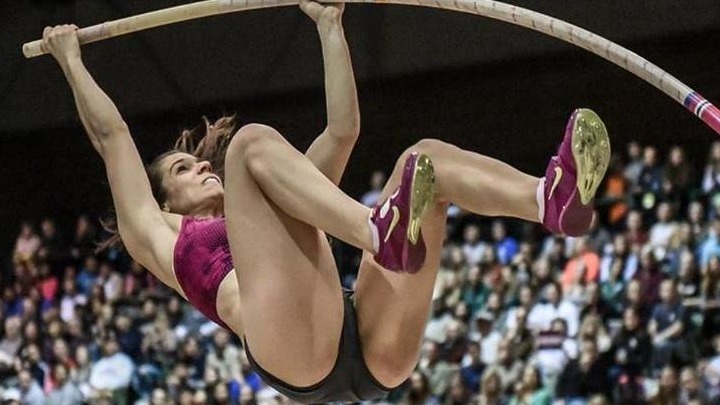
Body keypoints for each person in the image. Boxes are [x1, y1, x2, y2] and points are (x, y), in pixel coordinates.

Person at [41, 0, 610, 401]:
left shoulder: (288, 196)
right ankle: (377, 232)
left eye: (196, 160)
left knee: (425, 161)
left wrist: (330, 26)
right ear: (166, 202)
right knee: (250, 144)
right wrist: (70, 60)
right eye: (183, 170)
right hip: (294, 353)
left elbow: (342, 131)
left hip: (371, 339)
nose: (202, 166)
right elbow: (112, 136)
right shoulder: (159, 235)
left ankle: (547, 200)